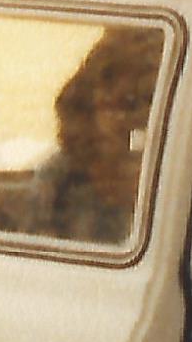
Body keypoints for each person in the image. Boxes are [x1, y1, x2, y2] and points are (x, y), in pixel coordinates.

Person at [33, 28, 159, 245]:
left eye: (148, 102)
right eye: (125, 104)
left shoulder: (175, 172)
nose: (134, 119)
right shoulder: (59, 177)